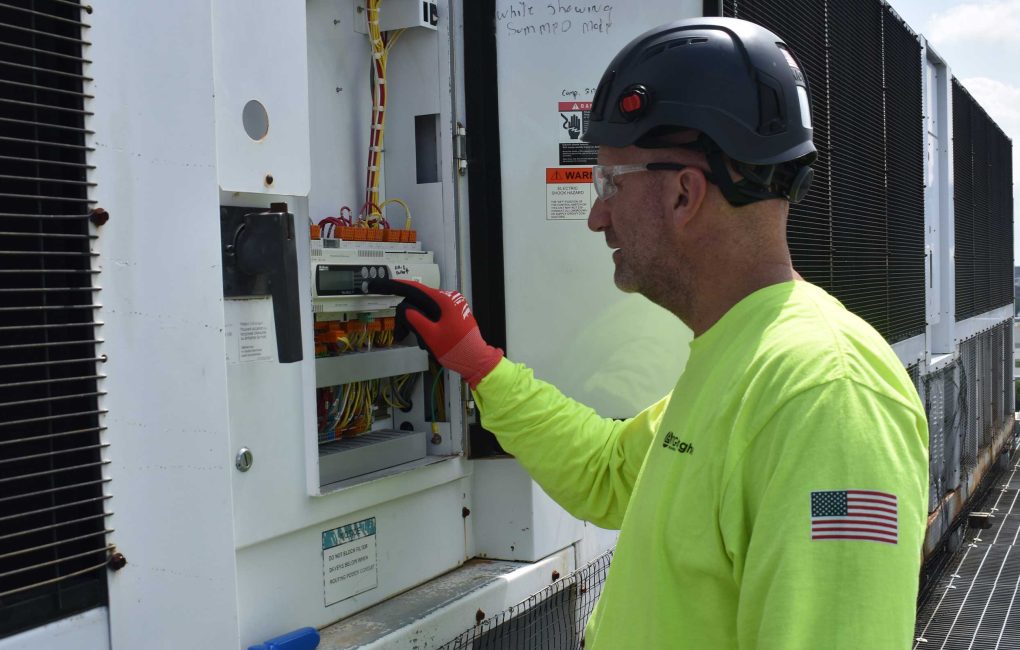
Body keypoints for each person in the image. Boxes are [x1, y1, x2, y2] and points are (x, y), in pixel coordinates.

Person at [372, 17, 928, 649]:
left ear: (684, 194)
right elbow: (607, 472)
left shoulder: (827, 394)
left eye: (609, 182)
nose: (596, 215)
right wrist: (476, 362)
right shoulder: (741, 358)